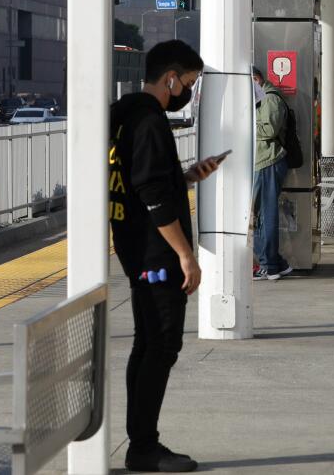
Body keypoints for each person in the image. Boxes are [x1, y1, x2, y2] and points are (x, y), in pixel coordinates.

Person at [109, 40, 224, 473]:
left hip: (133, 247)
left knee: (147, 345)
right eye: (189, 82)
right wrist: (186, 256)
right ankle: (143, 447)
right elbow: (154, 197)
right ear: (171, 78)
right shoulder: (151, 123)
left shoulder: (123, 115)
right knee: (160, 346)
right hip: (156, 253)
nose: (188, 91)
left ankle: (142, 441)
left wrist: (188, 176)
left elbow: (144, 181)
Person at [251, 67, 292, 281]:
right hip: (262, 161)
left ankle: (269, 264)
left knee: (265, 215)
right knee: (260, 214)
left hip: (269, 160)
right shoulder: (261, 98)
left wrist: (244, 122)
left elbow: (269, 130)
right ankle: (275, 262)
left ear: (255, 80)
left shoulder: (271, 99)